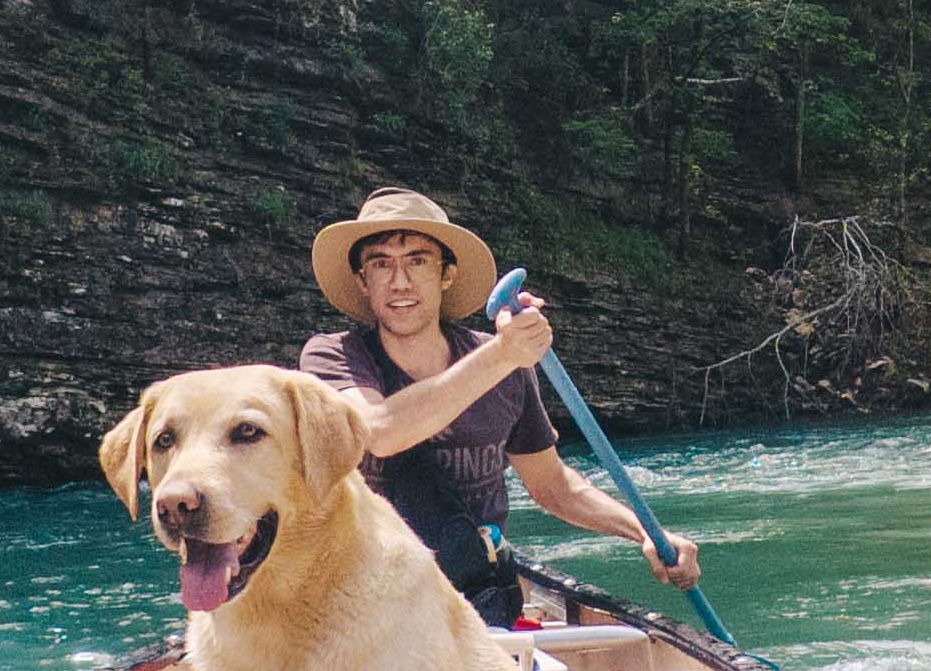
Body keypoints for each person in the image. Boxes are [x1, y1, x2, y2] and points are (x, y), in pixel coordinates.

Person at [298, 187, 702, 627]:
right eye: (381, 264)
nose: (400, 282)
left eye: (418, 261)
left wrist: (643, 532)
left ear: (446, 274)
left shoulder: (504, 365)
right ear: (362, 281)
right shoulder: (332, 356)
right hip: (362, 603)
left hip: (474, 599)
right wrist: (504, 354)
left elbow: (553, 486)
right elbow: (380, 432)